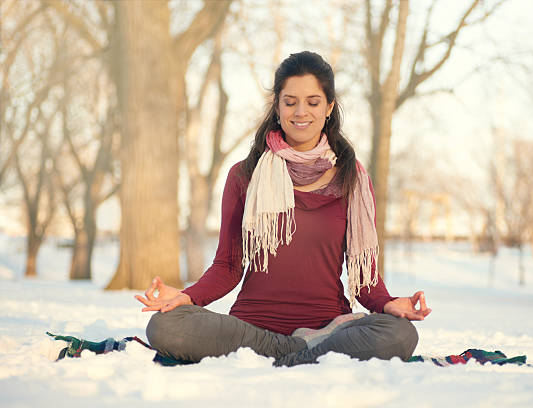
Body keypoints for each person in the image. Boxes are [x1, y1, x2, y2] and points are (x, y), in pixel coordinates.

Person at [136, 51, 431, 367]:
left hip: (328, 329)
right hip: (250, 330)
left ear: (329, 107)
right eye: (290, 102)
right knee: (165, 326)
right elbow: (228, 265)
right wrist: (187, 297)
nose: (300, 112)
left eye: (313, 102)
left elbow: (365, 278)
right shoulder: (244, 175)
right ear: (277, 107)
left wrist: (388, 304)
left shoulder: (353, 179)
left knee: (401, 334)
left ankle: (291, 352)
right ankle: (301, 356)